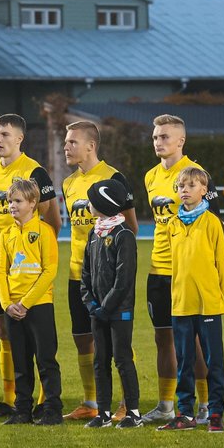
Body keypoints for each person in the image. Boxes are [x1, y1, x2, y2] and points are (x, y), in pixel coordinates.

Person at [0, 114, 61, 418]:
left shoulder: (35, 171)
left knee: (41, 347)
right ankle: (13, 399)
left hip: (32, 267)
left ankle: (45, 402)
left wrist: (37, 248)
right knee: (5, 331)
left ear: (19, 138)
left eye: (4, 134)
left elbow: (51, 220)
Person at [141, 114, 216, 425]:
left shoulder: (196, 176)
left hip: (186, 271)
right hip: (158, 268)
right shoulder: (149, 176)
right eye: (156, 136)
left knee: (194, 340)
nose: (159, 141)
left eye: (165, 136)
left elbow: (212, 223)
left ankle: (204, 403)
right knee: (163, 338)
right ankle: (166, 404)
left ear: (181, 141)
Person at [62, 120, 137, 421]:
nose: (66, 147)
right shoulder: (67, 184)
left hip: (111, 279)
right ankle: (92, 403)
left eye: (72, 142)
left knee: (119, 347)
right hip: (79, 274)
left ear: (91, 146)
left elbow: (129, 225)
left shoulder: (113, 177)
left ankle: (125, 404)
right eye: (66, 142)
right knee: (83, 338)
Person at [160, 167, 224, 433]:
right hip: (181, 303)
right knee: (184, 361)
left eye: (191, 186)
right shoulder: (173, 224)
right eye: (180, 187)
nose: (185, 190)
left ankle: (215, 413)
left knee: (214, 361)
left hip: (208, 304)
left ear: (204, 190)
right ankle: (186, 414)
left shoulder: (213, 222)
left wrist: (215, 293)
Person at [0, 178, 62, 426]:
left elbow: (49, 270)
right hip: (12, 309)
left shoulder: (44, 232)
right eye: (10, 201)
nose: (11, 205)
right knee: (20, 362)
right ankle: (22, 409)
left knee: (45, 359)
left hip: (38, 305)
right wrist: (7, 304)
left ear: (33, 203)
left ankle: (52, 409)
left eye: (17, 201)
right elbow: (1, 271)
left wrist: (26, 303)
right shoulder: (5, 234)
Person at [79, 178, 142, 429]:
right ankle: (103, 413)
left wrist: (106, 307)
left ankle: (134, 413)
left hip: (119, 311)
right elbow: (85, 274)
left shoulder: (123, 234)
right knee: (100, 359)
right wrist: (92, 304)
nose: (88, 204)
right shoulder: (93, 234)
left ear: (103, 202)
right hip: (98, 311)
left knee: (123, 359)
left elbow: (124, 278)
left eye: (93, 200)